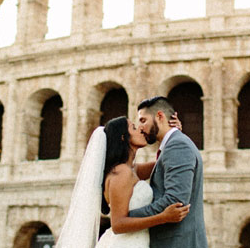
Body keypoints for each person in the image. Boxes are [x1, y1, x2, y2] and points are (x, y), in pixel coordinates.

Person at [56, 115, 189, 248]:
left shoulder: (131, 169)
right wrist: (163, 217)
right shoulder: (121, 173)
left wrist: (172, 135)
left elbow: (163, 162)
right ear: (123, 137)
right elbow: (118, 225)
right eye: (134, 128)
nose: (140, 130)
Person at [130, 96, 207, 248]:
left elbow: (175, 201)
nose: (140, 127)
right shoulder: (173, 145)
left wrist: (128, 218)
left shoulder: (177, 145)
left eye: (143, 120)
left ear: (159, 116)